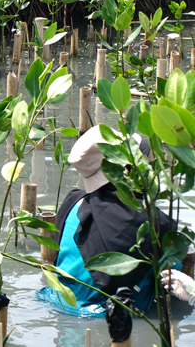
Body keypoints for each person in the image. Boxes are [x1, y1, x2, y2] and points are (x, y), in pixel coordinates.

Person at [38, 126, 173, 315]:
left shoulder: (72, 202)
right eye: (149, 166)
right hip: (112, 321)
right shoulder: (152, 222)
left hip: (57, 303)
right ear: (129, 171)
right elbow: (172, 272)